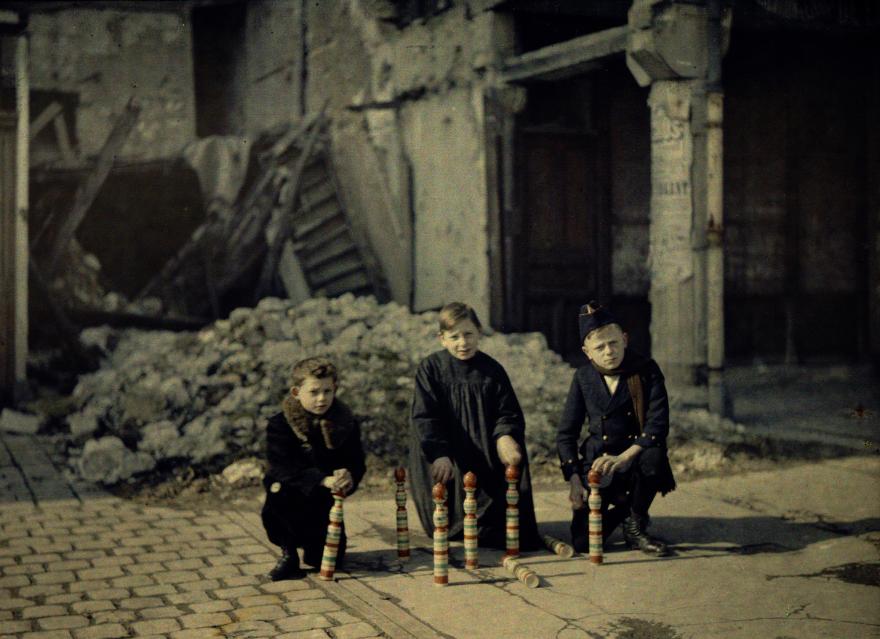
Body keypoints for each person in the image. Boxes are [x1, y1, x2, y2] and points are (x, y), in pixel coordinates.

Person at [409, 302, 540, 550]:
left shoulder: (492, 370)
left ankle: (490, 519)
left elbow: (507, 411)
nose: (463, 342)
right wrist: (439, 454)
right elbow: (425, 416)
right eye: (454, 336)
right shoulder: (431, 369)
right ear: (442, 339)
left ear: (479, 332)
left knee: (511, 460)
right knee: (449, 520)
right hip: (447, 452)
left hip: (483, 449)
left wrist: (505, 436)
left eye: (468, 334)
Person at [556, 301, 675, 556]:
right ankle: (627, 511)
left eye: (613, 343)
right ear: (587, 352)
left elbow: (658, 424)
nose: (609, 351)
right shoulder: (583, 378)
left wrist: (624, 458)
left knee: (654, 454)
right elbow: (566, 434)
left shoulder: (646, 370)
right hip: (599, 465)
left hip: (634, 458)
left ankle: (635, 525)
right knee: (582, 543)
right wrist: (574, 479)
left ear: (624, 339)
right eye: (600, 347)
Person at [261, 356, 366, 580]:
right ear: (296, 392)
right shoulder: (280, 424)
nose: (322, 399)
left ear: (335, 388)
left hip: (323, 499)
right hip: (291, 492)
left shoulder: (344, 421)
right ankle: (288, 553)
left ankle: (314, 546)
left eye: (328, 391)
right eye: (314, 392)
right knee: (278, 493)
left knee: (327, 559)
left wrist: (347, 476)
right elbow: (283, 465)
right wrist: (321, 479)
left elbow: (357, 461)